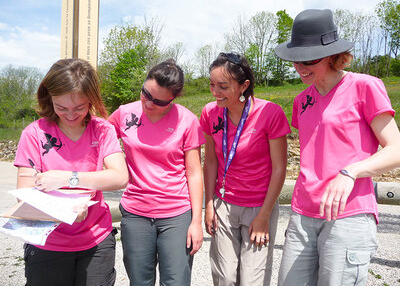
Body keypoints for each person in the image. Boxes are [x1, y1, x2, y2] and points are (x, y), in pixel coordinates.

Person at [274, 9, 400, 286]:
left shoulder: (365, 87)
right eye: (296, 60)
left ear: (333, 55)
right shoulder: (300, 101)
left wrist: (351, 172)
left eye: (310, 59)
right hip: (302, 213)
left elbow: (396, 150)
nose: (301, 67)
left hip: (349, 213)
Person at [14, 58, 129, 286]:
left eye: (79, 107)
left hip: (95, 239)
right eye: (61, 107)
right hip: (47, 242)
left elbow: (120, 176)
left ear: (92, 100)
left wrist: (68, 178)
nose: (70, 115)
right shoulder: (34, 133)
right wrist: (62, 212)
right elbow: (24, 194)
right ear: (49, 98)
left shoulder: (102, 129)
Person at [108, 59, 204, 286]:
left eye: (159, 101)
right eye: (145, 94)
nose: (149, 104)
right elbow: (99, 140)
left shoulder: (187, 120)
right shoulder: (124, 114)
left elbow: (194, 173)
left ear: (174, 99)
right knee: (140, 281)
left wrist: (196, 221)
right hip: (136, 212)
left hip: (176, 214)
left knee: (176, 281)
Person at [200, 52, 291, 285]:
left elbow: (280, 168)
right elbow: (210, 160)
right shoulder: (210, 112)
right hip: (223, 204)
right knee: (225, 277)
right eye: (211, 85)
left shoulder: (270, 113)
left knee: (252, 279)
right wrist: (208, 204)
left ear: (244, 85)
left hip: (258, 207)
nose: (215, 92)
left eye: (223, 87)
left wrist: (264, 216)